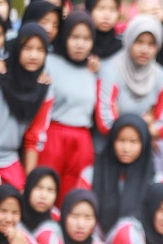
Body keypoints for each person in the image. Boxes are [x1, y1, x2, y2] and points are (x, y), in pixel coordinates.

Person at [39, 12, 97, 207]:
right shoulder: (50, 63)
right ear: (65, 37)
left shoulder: (93, 70)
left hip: (82, 141)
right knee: (46, 191)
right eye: (74, 37)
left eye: (86, 38)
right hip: (53, 137)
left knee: (74, 197)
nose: (80, 44)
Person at [95, 15, 163, 146]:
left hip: (143, 156)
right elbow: (105, 123)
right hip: (107, 151)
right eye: (139, 42)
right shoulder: (110, 71)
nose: (145, 50)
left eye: (151, 44)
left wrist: (121, 121)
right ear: (129, 40)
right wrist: (144, 125)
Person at [0, 23, 53, 188]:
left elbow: (34, 139)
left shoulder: (44, 88)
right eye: (27, 48)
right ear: (17, 48)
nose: (33, 55)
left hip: (10, 163)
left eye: (40, 50)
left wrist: (28, 184)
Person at [79, 115, 156, 236]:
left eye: (133, 141)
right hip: (95, 241)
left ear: (144, 143)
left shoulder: (156, 180)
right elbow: (80, 211)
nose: (126, 148)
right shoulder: (90, 174)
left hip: (139, 243)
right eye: (121, 140)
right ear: (112, 140)